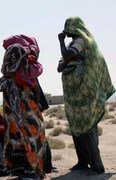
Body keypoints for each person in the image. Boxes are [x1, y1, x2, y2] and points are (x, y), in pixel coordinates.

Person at [58, 16, 115, 174]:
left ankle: (97, 165)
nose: (66, 32)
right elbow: (61, 65)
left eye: (68, 28)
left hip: (84, 92)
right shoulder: (76, 43)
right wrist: (66, 59)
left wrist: (61, 42)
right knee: (77, 126)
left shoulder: (82, 41)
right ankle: (82, 161)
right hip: (74, 93)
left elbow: (67, 55)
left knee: (86, 126)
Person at [0, 43, 46, 179]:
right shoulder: (25, 70)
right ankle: (32, 170)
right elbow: (36, 89)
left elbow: (35, 88)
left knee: (30, 139)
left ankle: (36, 170)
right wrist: (36, 106)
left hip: (20, 112)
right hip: (25, 111)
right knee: (32, 139)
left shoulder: (15, 72)